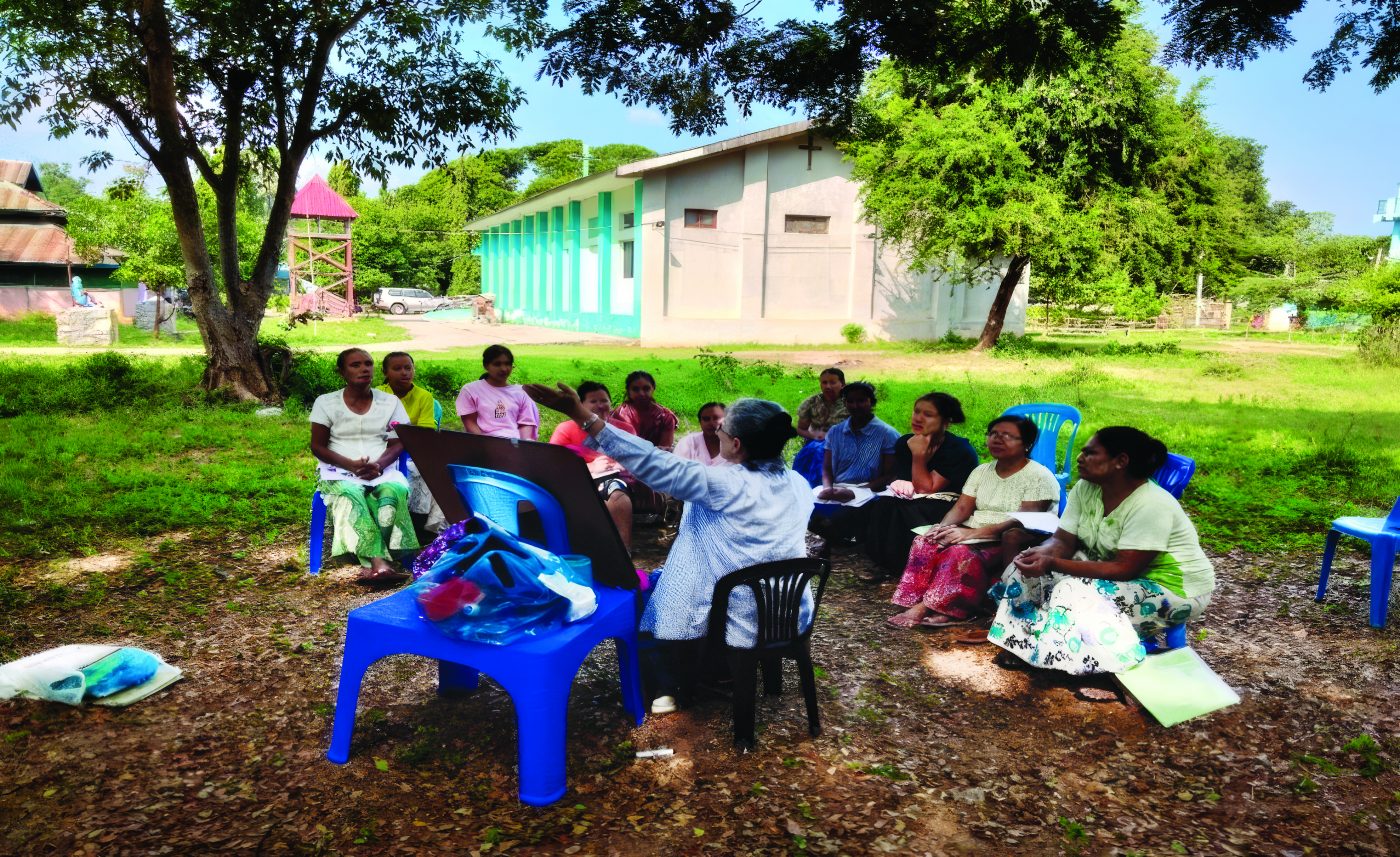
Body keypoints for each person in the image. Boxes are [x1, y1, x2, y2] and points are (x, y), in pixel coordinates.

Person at [524, 383, 812, 716]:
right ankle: (715, 670)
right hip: (788, 606)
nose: (716, 431)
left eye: (723, 428)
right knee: (673, 578)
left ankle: (668, 686)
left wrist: (579, 413)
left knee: (647, 595)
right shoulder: (798, 482)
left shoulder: (725, 484)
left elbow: (652, 462)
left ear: (736, 444)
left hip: (739, 609)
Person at [988, 426, 1215, 675]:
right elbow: (1063, 541)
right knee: (1022, 572)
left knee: (1071, 591)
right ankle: (1022, 645)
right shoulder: (1086, 488)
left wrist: (1052, 563)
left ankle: (1108, 661)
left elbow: (1125, 569)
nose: (1079, 458)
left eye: (1090, 453)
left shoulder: (1152, 504)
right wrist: (1041, 554)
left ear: (1121, 461)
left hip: (1172, 589)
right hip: (1112, 569)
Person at [887, 415, 1059, 628]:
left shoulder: (1039, 476)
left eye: (1007, 436)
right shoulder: (981, 471)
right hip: (973, 531)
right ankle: (919, 600)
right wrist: (941, 527)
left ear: (1027, 444)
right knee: (925, 542)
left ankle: (942, 609)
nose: (997, 439)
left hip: (1008, 536)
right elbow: (962, 508)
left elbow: (1024, 520)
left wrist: (971, 534)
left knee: (958, 553)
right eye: (993, 434)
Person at [310, 348, 419, 583]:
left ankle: (384, 558)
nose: (364, 369)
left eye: (368, 364)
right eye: (355, 365)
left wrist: (378, 465)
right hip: (339, 471)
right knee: (351, 494)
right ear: (342, 372)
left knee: (394, 492)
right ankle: (378, 562)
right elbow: (317, 446)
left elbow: (400, 442)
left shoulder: (390, 402)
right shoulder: (326, 403)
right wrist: (350, 465)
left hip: (381, 469)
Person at [860, 392, 980, 576]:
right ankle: (881, 562)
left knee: (905, 511)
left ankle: (908, 565)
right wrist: (900, 483)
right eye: (916, 412)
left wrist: (918, 456)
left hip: (950, 505)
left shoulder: (958, 450)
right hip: (917, 498)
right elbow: (905, 479)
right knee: (883, 504)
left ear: (945, 422)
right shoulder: (905, 443)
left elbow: (927, 487)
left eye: (928, 415)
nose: (918, 418)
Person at [549, 380, 638, 551]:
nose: (600, 405)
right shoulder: (565, 429)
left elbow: (636, 459)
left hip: (617, 481)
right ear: (581, 405)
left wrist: (619, 465)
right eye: (593, 401)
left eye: (604, 400)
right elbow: (553, 463)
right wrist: (590, 468)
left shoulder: (624, 429)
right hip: (577, 481)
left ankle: (623, 553)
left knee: (617, 495)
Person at [376, 351, 446, 534]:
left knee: (430, 470)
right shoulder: (377, 394)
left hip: (414, 451)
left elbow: (424, 434)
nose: (404, 372)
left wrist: (401, 438)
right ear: (385, 372)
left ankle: (420, 525)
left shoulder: (424, 397)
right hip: (382, 450)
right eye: (397, 368)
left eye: (408, 368)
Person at [456, 345, 540, 440]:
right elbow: (471, 423)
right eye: (497, 364)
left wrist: (524, 445)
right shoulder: (470, 390)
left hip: (515, 444)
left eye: (507, 364)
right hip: (485, 444)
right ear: (486, 366)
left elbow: (526, 424)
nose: (504, 369)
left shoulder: (521, 393)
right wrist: (484, 445)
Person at [792, 369, 848, 486]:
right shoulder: (811, 403)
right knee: (816, 451)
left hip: (845, 444)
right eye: (824, 382)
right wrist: (815, 436)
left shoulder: (850, 403)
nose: (828, 386)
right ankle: (807, 486)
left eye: (832, 382)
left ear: (842, 384)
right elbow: (801, 429)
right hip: (816, 444)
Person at [614, 370, 678, 450]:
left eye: (646, 389)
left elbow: (665, 449)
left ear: (653, 389)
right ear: (628, 391)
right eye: (635, 389)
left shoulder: (665, 417)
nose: (641, 393)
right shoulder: (620, 414)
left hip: (656, 456)